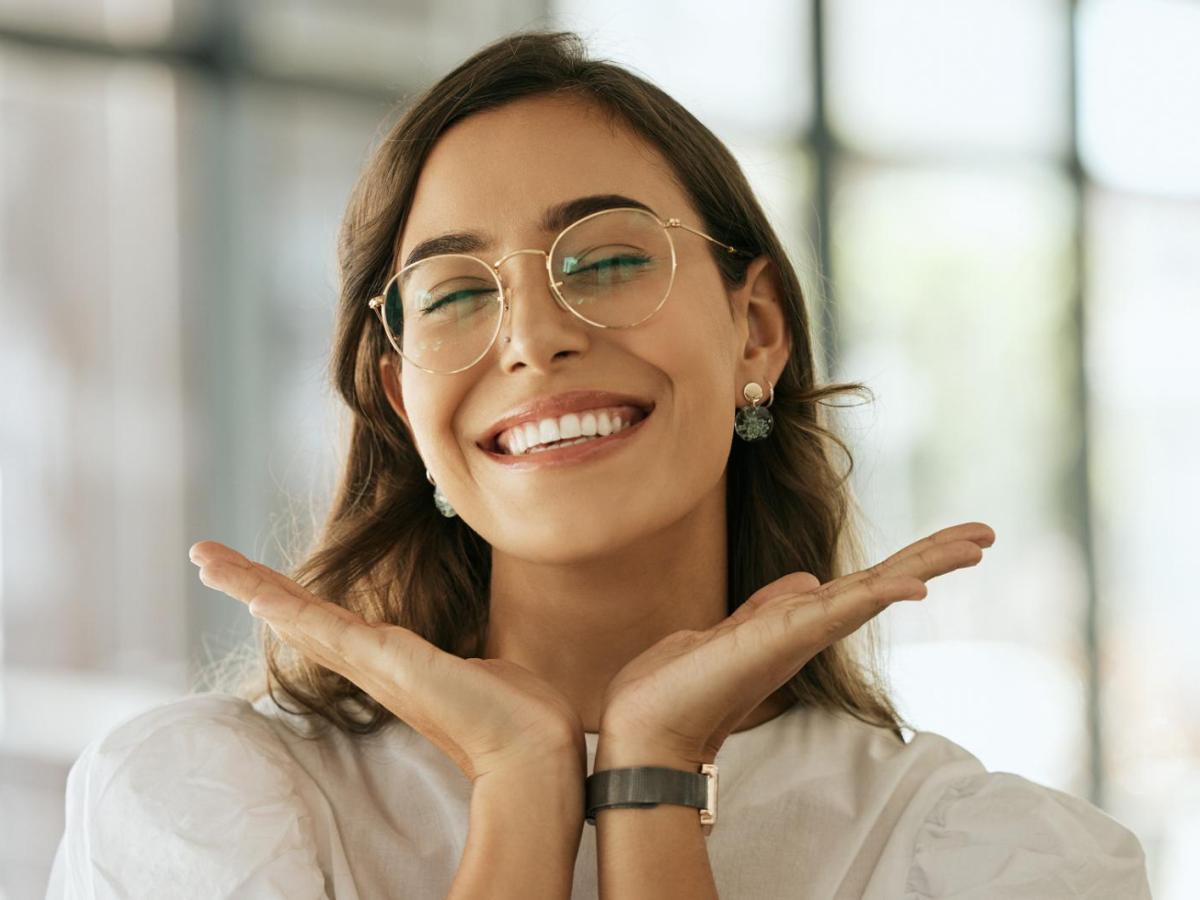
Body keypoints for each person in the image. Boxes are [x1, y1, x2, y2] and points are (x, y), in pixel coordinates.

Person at [47, 29, 1151, 900]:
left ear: (756, 330)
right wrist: (525, 794)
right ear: (404, 401)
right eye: (458, 293)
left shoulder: (991, 860)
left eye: (611, 258)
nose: (530, 336)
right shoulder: (206, 804)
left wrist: (650, 783)